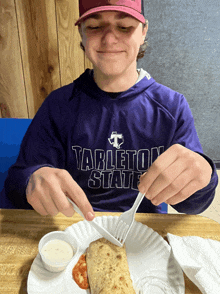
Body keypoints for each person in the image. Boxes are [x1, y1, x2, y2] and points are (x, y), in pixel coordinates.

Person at [4, 0, 218, 221]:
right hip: (77, 227)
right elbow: (15, 184)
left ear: (144, 31)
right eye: (95, 27)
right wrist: (31, 181)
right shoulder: (59, 104)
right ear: (82, 34)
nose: (109, 39)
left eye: (124, 26)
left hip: (146, 232)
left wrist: (204, 175)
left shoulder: (172, 107)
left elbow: (193, 204)